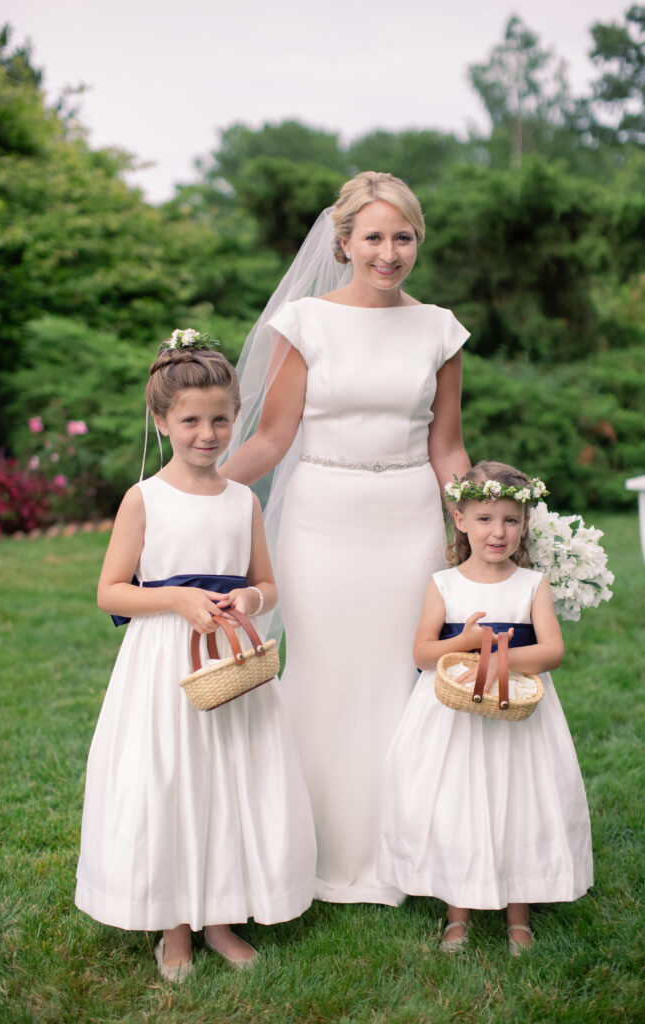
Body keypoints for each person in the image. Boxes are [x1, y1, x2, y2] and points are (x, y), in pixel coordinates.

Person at [221, 171, 470, 905]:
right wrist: (203, 497)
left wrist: (480, 524)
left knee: (400, 681)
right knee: (324, 675)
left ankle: (399, 851)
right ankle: (306, 849)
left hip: (407, 522)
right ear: (344, 242)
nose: (388, 253)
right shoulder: (306, 323)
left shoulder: (440, 330)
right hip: (321, 518)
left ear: (416, 242)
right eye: (373, 238)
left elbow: (447, 448)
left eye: (403, 238)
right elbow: (270, 440)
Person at [75, 331, 316, 980]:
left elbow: (267, 584)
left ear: (235, 419)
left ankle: (221, 919)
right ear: (162, 421)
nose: (206, 434)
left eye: (219, 419)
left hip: (230, 666)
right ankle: (173, 926)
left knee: (228, 779)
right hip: (164, 662)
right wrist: (178, 598)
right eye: (189, 421)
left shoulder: (242, 502)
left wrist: (249, 593)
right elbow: (110, 590)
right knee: (173, 778)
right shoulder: (144, 499)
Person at [378, 461, 593, 954]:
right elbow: (422, 654)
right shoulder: (444, 584)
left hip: (520, 719)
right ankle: (458, 913)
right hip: (453, 720)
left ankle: (519, 915)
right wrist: (470, 643)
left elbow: (552, 652)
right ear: (460, 519)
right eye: (485, 519)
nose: (498, 532)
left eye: (511, 520)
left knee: (519, 801)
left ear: (524, 525)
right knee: (458, 803)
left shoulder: (532, 584)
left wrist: (495, 659)